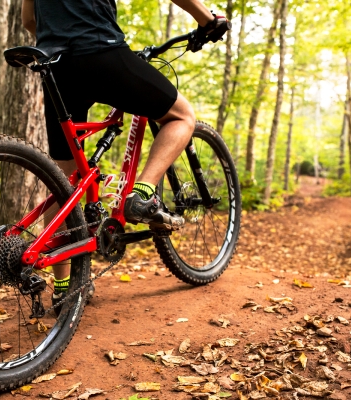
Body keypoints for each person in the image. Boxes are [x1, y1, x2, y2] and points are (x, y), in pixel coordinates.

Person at [21, 0, 229, 306]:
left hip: (54, 63)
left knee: (62, 184)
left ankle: (64, 288)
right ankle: (142, 193)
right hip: (99, 49)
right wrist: (207, 19)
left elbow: (29, 20)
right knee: (182, 116)